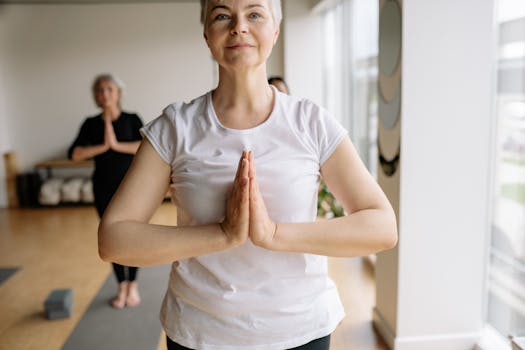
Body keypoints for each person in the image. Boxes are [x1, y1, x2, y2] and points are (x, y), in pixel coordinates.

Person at [98, 0, 397, 349]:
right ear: (207, 33)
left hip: (300, 330)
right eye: (222, 15)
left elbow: (382, 226)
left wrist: (272, 234)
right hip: (200, 334)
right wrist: (222, 235)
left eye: (255, 14)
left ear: (275, 30)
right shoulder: (175, 128)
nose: (239, 26)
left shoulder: (311, 123)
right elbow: (113, 239)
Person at [68, 74, 144, 309]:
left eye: (109, 89)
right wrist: (103, 146)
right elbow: (75, 153)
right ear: (96, 96)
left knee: (133, 237)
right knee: (111, 238)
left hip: (131, 187)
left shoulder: (132, 120)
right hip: (103, 187)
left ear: (119, 94)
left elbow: (147, 146)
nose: (105, 94)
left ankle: (133, 284)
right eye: (100, 90)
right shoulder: (91, 124)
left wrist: (117, 145)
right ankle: (121, 285)